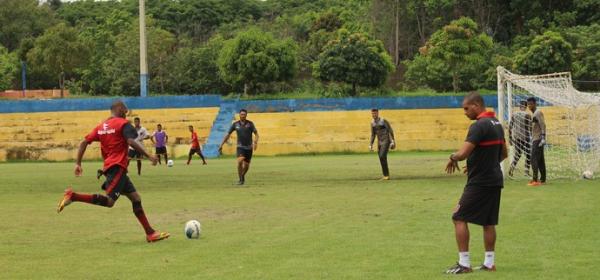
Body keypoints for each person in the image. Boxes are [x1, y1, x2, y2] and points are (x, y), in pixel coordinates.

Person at [56, 100, 170, 243]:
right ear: (120, 109)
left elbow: (84, 142)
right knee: (110, 202)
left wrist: (78, 163)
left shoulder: (101, 127)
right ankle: (73, 196)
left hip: (113, 167)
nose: (126, 113)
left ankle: (150, 233)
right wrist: (148, 156)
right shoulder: (123, 124)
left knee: (136, 198)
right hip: (117, 167)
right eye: (125, 110)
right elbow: (131, 142)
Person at [444, 92, 507, 274]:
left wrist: (452, 157)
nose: (464, 112)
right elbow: (503, 153)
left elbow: (462, 153)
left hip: (480, 182)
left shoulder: (478, 126)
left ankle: (464, 264)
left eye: (466, 108)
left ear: (476, 106)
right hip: (495, 179)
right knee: (488, 222)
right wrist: (482, 164)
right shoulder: (497, 124)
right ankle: (489, 263)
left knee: (458, 217)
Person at [219, 109, 259, 185]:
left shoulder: (250, 124)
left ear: (246, 115)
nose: (242, 116)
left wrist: (255, 142)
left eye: (244, 114)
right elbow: (227, 135)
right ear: (239, 115)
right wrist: (221, 145)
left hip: (249, 148)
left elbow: (256, 134)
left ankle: (242, 176)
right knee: (240, 161)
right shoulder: (235, 124)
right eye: (241, 114)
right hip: (240, 147)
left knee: (246, 166)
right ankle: (240, 179)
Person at [369, 108, 396, 180]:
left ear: (378, 113)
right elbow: (373, 135)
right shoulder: (372, 123)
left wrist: (393, 141)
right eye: (372, 113)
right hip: (379, 142)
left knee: (382, 156)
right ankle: (386, 175)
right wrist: (370, 144)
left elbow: (390, 130)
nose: (373, 115)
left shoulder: (383, 121)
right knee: (382, 158)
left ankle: (386, 175)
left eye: (375, 113)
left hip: (386, 140)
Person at [508, 100, 532, 177]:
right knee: (528, 155)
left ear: (520, 106)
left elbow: (510, 127)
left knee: (517, 154)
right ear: (526, 106)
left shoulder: (514, 114)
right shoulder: (527, 115)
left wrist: (510, 138)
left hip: (516, 137)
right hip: (525, 137)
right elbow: (529, 128)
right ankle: (526, 172)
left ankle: (511, 168)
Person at [527, 97, 546, 186]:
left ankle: (535, 180)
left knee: (533, 159)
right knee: (540, 160)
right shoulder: (534, 114)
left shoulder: (538, 112)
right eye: (528, 104)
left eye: (531, 104)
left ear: (535, 104)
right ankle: (543, 179)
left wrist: (543, 137)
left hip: (538, 139)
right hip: (536, 138)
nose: (529, 106)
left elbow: (543, 125)